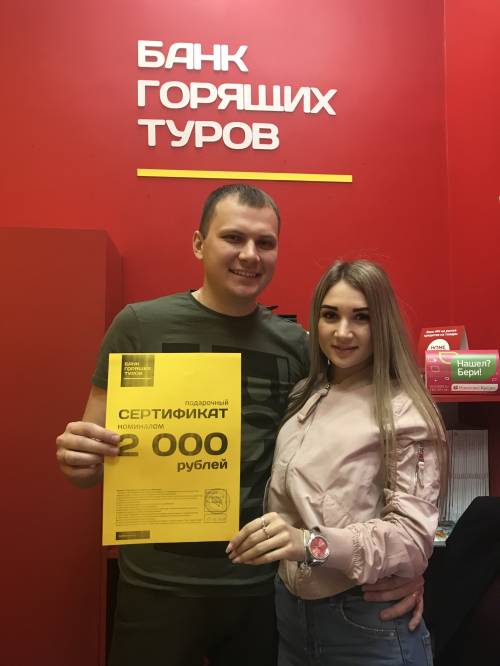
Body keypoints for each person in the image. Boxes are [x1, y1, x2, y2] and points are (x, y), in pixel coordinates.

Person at [56, 190, 425, 666]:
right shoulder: (139, 326)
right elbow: (87, 464)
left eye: (264, 242)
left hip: (262, 589)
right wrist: (78, 459)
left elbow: (352, 452)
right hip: (157, 587)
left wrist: (405, 568)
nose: (250, 255)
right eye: (233, 238)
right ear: (199, 243)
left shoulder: (299, 346)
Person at [227, 259, 447, 666]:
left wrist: (308, 543)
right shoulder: (304, 396)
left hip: (365, 622)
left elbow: (412, 541)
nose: (343, 332)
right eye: (330, 315)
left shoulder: (405, 410)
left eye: (361, 317)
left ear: (382, 324)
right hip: (291, 616)